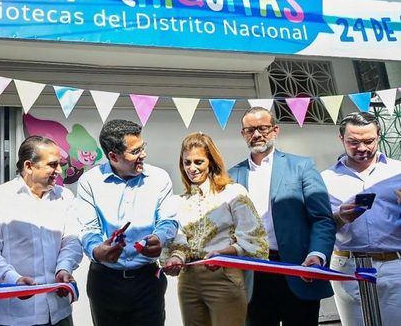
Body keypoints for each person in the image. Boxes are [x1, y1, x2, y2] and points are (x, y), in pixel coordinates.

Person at [228, 107, 336, 326]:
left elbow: (322, 218)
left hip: (298, 269)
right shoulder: (231, 176)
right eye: (250, 130)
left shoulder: (301, 166)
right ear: (243, 134)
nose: (257, 134)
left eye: (263, 128)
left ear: (275, 130)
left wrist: (317, 254)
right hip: (252, 273)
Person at [77, 119, 178, 326]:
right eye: (135, 151)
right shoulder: (89, 182)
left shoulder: (160, 178)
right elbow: (88, 228)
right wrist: (97, 251)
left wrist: (159, 237)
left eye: (143, 147)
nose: (143, 155)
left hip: (148, 281)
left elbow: (168, 220)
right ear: (113, 156)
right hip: (105, 282)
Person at [0, 136, 82, 326]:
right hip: (17, 315)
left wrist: (64, 268)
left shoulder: (64, 197)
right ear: (29, 166)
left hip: (59, 312)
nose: (59, 170)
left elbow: (72, 240)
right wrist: (14, 281)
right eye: (52, 164)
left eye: (60, 164)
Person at [164, 132, 268, 326]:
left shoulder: (233, 193)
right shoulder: (179, 201)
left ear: (211, 162)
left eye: (198, 162)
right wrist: (176, 257)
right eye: (187, 163)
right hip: (187, 280)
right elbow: (180, 242)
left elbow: (254, 238)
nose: (192, 168)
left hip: (224, 275)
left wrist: (223, 253)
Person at [320, 111, 401, 326]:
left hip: (395, 265)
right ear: (341, 139)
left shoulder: (398, 171)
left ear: (379, 135)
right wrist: (339, 217)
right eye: (353, 142)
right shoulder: (325, 179)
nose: (362, 148)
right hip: (347, 265)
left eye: (369, 141)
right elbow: (320, 225)